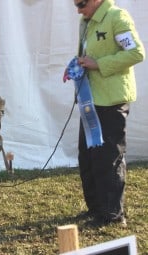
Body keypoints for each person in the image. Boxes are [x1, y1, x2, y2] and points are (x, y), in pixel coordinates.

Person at [63, 0, 145, 226]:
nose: (78, 10)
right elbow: (88, 55)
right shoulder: (85, 21)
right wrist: (78, 65)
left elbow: (137, 53)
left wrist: (98, 64)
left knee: (109, 159)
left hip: (111, 100)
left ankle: (112, 215)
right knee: (88, 156)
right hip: (91, 100)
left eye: (81, 4)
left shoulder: (118, 17)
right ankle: (96, 208)